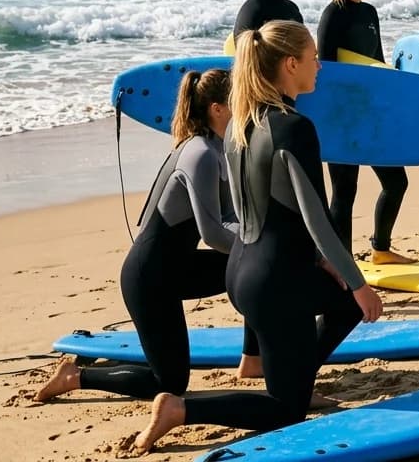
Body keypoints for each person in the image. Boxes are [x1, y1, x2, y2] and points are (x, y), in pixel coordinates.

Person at [127, 20, 383, 454]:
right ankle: (180, 410)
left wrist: (323, 265)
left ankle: (296, 373)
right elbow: (317, 219)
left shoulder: (240, 127)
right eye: (313, 58)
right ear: (289, 64)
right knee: (287, 407)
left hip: (240, 273)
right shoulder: (294, 128)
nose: (319, 66)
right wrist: (359, 284)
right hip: (277, 280)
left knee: (332, 312)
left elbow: (253, 211)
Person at [33, 70, 259, 403]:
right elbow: (213, 233)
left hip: (177, 268)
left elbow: (231, 219)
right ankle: (76, 376)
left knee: (253, 273)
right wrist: (257, 245)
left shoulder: (218, 147)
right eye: (238, 99)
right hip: (149, 277)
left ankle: (254, 358)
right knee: (168, 382)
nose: (244, 105)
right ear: (217, 108)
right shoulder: (199, 154)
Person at [317, 0, 412, 265]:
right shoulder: (333, 15)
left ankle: (380, 249)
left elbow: (376, 63)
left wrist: (391, 97)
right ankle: (341, 262)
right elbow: (326, 72)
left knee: (396, 181)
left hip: (370, 114)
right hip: (343, 117)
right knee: (345, 192)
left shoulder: (369, 13)